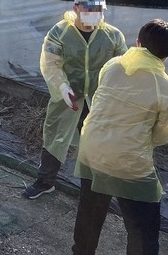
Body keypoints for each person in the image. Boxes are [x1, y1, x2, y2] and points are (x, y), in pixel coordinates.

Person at [71, 19, 168, 255]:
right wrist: (140, 141)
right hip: (129, 161)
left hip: (92, 148)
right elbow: (162, 133)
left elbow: (101, 103)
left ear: (137, 42)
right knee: (143, 228)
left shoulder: (113, 65)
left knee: (90, 211)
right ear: (165, 56)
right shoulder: (163, 86)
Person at [23, 0, 127, 199]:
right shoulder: (60, 32)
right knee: (55, 137)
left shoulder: (113, 35)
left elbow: (122, 66)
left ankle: (96, 188)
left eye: (99, 9)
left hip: (99, 100)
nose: (94, 13)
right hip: (68, 97)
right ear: (76, 8)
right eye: (89, 9)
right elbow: (50, 64)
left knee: (98, 143)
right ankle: (45, 181)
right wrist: (63, 87)